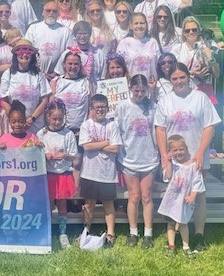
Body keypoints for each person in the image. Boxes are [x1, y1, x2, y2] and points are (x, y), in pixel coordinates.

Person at [154, 63, 221, 253]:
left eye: (182, 77)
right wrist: (164, 157)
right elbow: (160, 129)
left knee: (198, 195)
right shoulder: (166, 101)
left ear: (188, 77)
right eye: (174, 78)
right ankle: (175, 236)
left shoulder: (200, 98)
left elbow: (210, 127)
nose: (178, 81)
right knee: (176, 195)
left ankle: (198, 235)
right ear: (170, 81)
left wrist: (200, 152)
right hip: (175, 159)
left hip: (196, 156)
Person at [115, 74, 159, 249]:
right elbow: (117, 130)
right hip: (129, 158)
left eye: (143, 91)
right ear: (130, 89)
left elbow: (158, 131)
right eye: (136, 91)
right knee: (133, 196)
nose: (140, 94)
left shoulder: (153, 107)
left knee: (147, 196)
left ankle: (148, 232)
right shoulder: (123, 107)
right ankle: (133, 232)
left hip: (149, 158)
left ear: (147, 90)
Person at [78, 94, 120, 248]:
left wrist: (95, 144)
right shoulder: (86, 125)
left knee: (109, 204)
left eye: (103, 107)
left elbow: (115, 148)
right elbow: (86, 147)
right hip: (89, 172)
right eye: (97, 108)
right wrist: (105, 143)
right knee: (89, 203)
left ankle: (110, 234)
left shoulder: (112, 125)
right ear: (92, 109)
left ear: (107, 108)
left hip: (107, 173)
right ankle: (86, 230)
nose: (100, 110)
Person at [37, 99, 79, 248]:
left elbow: (75, 156)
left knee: (62, 205)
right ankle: (46, 231)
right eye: (54, 118)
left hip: (63, 173)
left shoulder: (68, 134)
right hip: (48, 173)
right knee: (47, 204)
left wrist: (65, 155)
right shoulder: (41, 133)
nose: (57, 122)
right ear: (48, 117)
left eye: (60, 119)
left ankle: (63, 233)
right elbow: (36, 153)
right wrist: (44, 155)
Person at [158, 135, 206, 258]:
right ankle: (171, 246)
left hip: (184, 200)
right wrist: (168, 162)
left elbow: (198, 182)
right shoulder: (173, 165)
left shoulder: (193, 166)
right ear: (170, 152)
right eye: (175, 150)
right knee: (171, 223)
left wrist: (193, 195)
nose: (179, 152)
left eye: (181, 149)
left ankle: (186, 246)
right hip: (172, 200)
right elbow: (168, 176)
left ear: (186, 149)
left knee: (183, 223)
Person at [0, 40, 50, 134]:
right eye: (21, 51)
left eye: (28, 52)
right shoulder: (8, 74)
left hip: (35, 124)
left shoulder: (38, 74)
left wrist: (32, 118)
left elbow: (44, 100)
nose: (24, 54)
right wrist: (17, 118)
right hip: (15, 125)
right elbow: (3, 100)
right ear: (15, 55)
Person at [25, 1, 74, 80]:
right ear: (43, 13)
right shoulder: (33, 28)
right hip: (35, 73)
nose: (51, 13)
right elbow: (27, 50)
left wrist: (56, 72)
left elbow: (68, 53)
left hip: (57, 77)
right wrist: (37, 69)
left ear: (58, 14)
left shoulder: (66, 31)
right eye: (48, 10)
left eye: (54, 11)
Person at [174, 16, 219, 101]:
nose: (191, 32)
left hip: (204, 92)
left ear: (199, 31)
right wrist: (192, 73)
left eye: (194, 30)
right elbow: (172, 73)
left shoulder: (206, 47)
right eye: (187, 30)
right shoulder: (177, 49)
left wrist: (211, 58)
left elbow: (217, 74)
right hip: (183, 92)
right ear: (183, 32)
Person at [54, 20, 106, 91]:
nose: (82, 36)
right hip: (74, 93)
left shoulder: (98, 53)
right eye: (79, 33)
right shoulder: (68, 53)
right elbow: (59, 74)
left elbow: (103, 76)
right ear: (75, 35)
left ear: (90, 34)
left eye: (85, 33)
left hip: (95, 91)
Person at [50, 50, 91, 133]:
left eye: (76, 64)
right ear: (64, 64)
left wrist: (86, 129)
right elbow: (51, 108)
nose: (73, 66)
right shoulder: (56, 82)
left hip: (81, 131)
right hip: (61, 130)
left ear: (80, 66)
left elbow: (91, 107)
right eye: (70, 63)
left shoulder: (86, 82)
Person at [116, 12, 160, 83]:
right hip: (131, 86)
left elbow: (159, 64)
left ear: (146, 25)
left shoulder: (153, 42)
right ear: (131, 26)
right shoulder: (124, 43)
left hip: (151, 85)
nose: (139, 26)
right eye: (136, 23)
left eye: (142, 23)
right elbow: (118, 65)